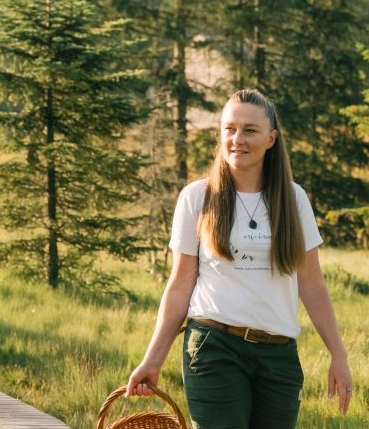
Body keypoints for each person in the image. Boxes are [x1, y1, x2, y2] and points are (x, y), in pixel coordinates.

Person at [126, 89, 352, 428]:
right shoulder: (197, 197)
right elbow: (180, 284)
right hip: (214, 347)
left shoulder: (293, 199)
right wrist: (152, 360)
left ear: (271, 139)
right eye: (229, 128)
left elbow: (313, 285)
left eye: (249, 130)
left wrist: (339, 354)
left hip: (278, 355)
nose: (237, 139)